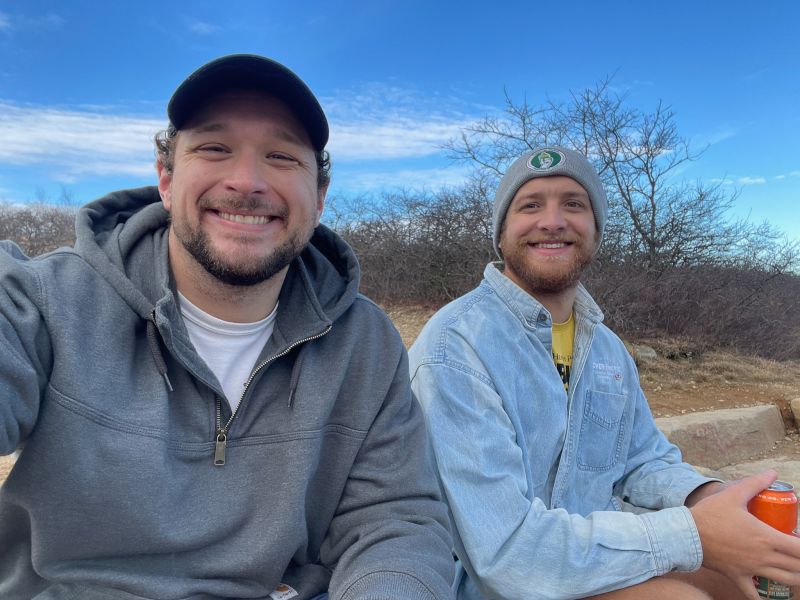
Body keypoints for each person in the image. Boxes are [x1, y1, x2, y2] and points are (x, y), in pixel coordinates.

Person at [0, 54, 454, 600]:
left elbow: (396, 521)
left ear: (320, 197)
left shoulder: (367, 343)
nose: (247, 181)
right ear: (166, 178)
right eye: (214, 148)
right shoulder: (45, 302)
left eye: (282, 155)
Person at [408, 146, 800, 600]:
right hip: (494, 584)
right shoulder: (454, 348)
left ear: (595, 230)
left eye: (574, 204)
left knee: (783, 578)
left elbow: (642, 459)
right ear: (500, 233)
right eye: (530, 205)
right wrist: (692, 535)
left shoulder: (607, 348)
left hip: (594, 560)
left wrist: (708, 497)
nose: (553, 221)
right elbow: (506, 555)